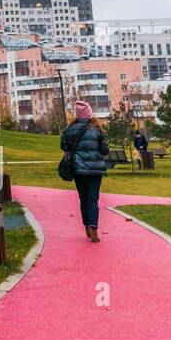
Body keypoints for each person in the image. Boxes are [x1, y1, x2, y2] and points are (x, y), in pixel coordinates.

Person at [61, 99, 110, 242]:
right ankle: (94, 229)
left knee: (83, 198)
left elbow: (64, 147)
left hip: (79, 170)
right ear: (90, 114)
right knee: (93, 199)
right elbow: (104, 150)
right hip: (96, 171)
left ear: (77, 115)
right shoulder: (98, 130)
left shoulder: (69, 130)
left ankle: (87, 226)